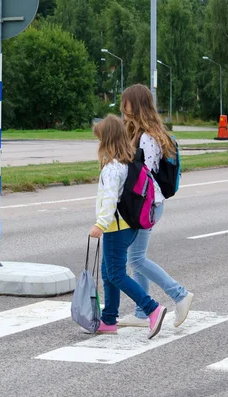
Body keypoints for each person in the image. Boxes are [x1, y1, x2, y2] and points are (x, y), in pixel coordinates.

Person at [118, 84, 194, 328]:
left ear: (136, 105)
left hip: (147, 204)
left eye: (126, 103)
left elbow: (144, 175)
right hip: (147, 203)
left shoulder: (147, 138)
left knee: (137, 259)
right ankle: (141, 312)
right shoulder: (142, 133)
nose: (122, 107)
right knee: (136, 257)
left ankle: (180, 295)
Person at [90, 115, 167, 339]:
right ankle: (109, 319)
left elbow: (110, 200)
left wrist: (99, 225)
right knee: (108, 273)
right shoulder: (127, 162)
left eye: (100, 139)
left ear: (107, 141)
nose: (98, 144)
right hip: (127, 226)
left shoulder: (113, 168)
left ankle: (152, 308)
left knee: (116, 273)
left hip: (116, 227)